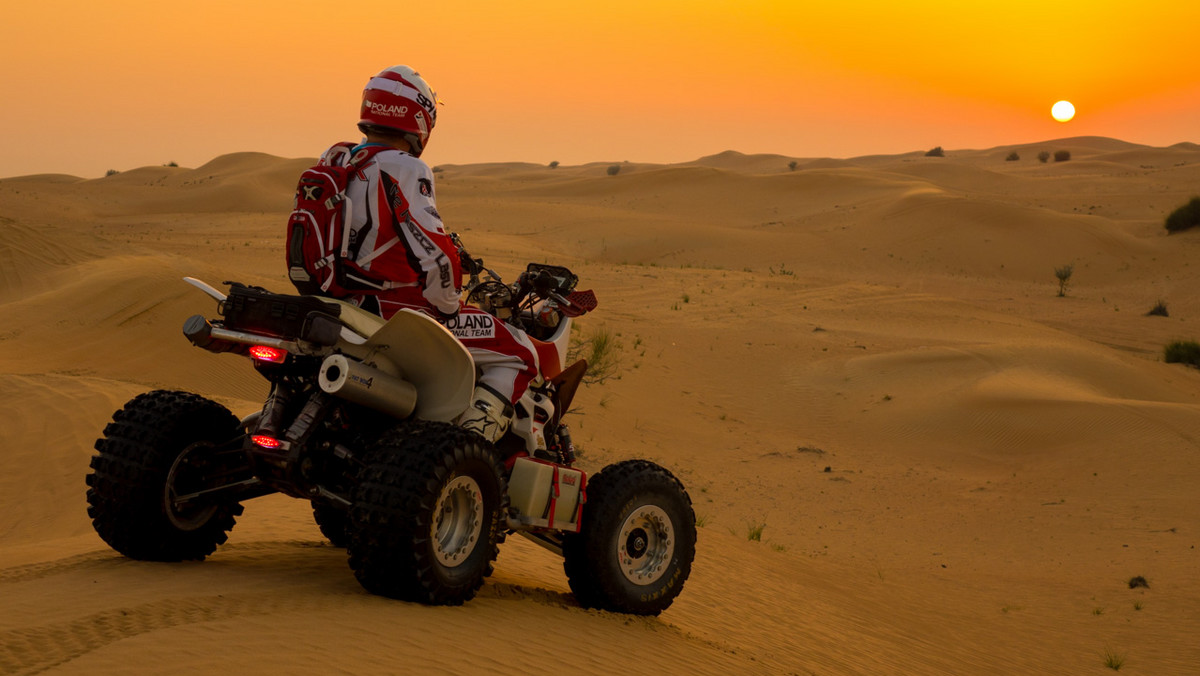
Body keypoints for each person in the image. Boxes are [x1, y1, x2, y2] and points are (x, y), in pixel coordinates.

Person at [318, 64, 539, 443]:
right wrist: (449, 305)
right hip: (393, 313)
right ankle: (467, 447)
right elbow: (434, 252)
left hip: (336, 302)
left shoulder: (337, 160)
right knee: (521, 352)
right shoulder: (405, 167)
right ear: (419, 116)